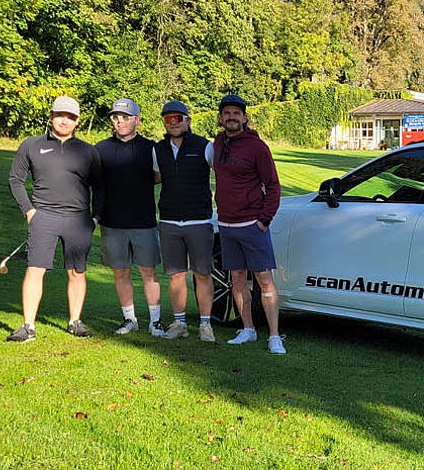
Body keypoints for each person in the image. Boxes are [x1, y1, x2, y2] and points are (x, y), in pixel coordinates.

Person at [6, 95, 102, 342]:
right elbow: (15, 180)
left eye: (70, 117)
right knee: (35, 270)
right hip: (43, 217)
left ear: (77, 121)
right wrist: (28, 210)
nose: (64, 120)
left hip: (78, 220)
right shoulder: (31, 145)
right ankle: (28, 326)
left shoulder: (87, 151)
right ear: (51, 116)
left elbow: (101, 187)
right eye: (60, 115)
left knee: (77, 272)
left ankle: (75, 321)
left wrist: (95, 218)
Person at [212, 94, 285, 354]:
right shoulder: (218, 143)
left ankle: (274, 336)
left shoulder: (257, 147)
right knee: (237, 279)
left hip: (252, 224)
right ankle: (248, 329)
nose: (231, 117)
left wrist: (264, 220)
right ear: (221, 118)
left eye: (236, 113)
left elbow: (274, 186)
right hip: (226, 225)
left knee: (265, 279)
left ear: (244, 117)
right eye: (226, 113)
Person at [95, 98, 163, 336]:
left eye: (125, 117)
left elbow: (157, 177)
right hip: (112, 222)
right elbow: (95, 183)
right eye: (116, 117)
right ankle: (129, 319)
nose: (120, 122)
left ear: (137, 120)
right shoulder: (101, 149)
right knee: (121, 272)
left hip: (143, 221)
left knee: (148, 272)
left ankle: (155, 322)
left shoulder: (150, 148)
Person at [151, 100, 216, 341]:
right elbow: (154, 178)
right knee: (176, 274)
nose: (173, 123)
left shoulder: (204, 147)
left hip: (199, 220)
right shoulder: (157, 150)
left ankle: (205, 325)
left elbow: (226, 174)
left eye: (178, 118)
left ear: (188, 120)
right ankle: (179, 324)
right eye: (168, 119)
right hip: (168, 221)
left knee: (202, 273)